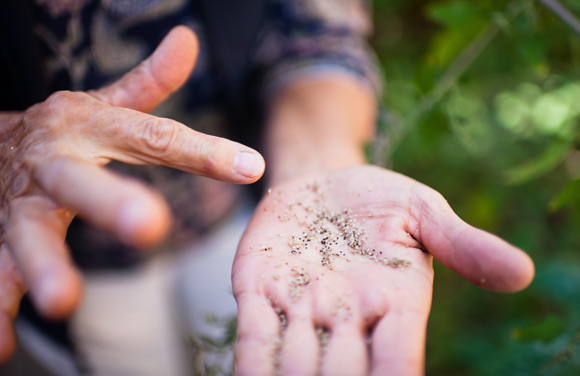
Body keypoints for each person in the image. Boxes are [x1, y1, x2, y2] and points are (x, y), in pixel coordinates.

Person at [0, 1, 535, 375]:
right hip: (76, 257)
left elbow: (317, 41)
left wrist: (319, 163)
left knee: (247, 343)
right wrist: (11, 140)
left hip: (239, 219)